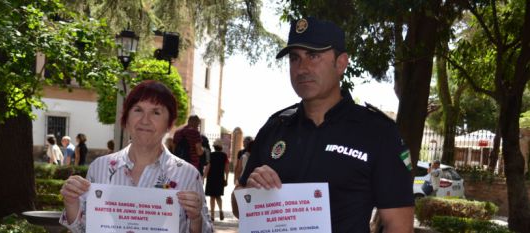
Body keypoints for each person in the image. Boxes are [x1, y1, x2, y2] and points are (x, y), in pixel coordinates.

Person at [233, 17, 414, 232]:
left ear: (341, 63)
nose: (302, 68)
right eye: (294, 58)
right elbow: (238, 205)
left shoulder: (378, 132)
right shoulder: (275, 128)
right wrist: (251, 191)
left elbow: (399, 225)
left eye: (313, 56)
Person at [59, 80, 213, 233]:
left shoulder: (188, 175)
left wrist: (196, 219)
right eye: (138, 110)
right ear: (126, 119)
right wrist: (71, 202)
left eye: (156, 112)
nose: (145, 120)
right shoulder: (100, 167)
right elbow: (84, 229)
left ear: (169, 123)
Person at [203, 139, 229, 221]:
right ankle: (221, 210)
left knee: (212, 197)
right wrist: (226, 179)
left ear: (214, 147)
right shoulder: (224, 156)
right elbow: (227, 169)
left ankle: (212, 215)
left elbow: (208, 167)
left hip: (211, 178)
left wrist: (204, 177)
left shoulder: (211, 155)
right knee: (218, 196)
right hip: (220, 178)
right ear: (221, 147)